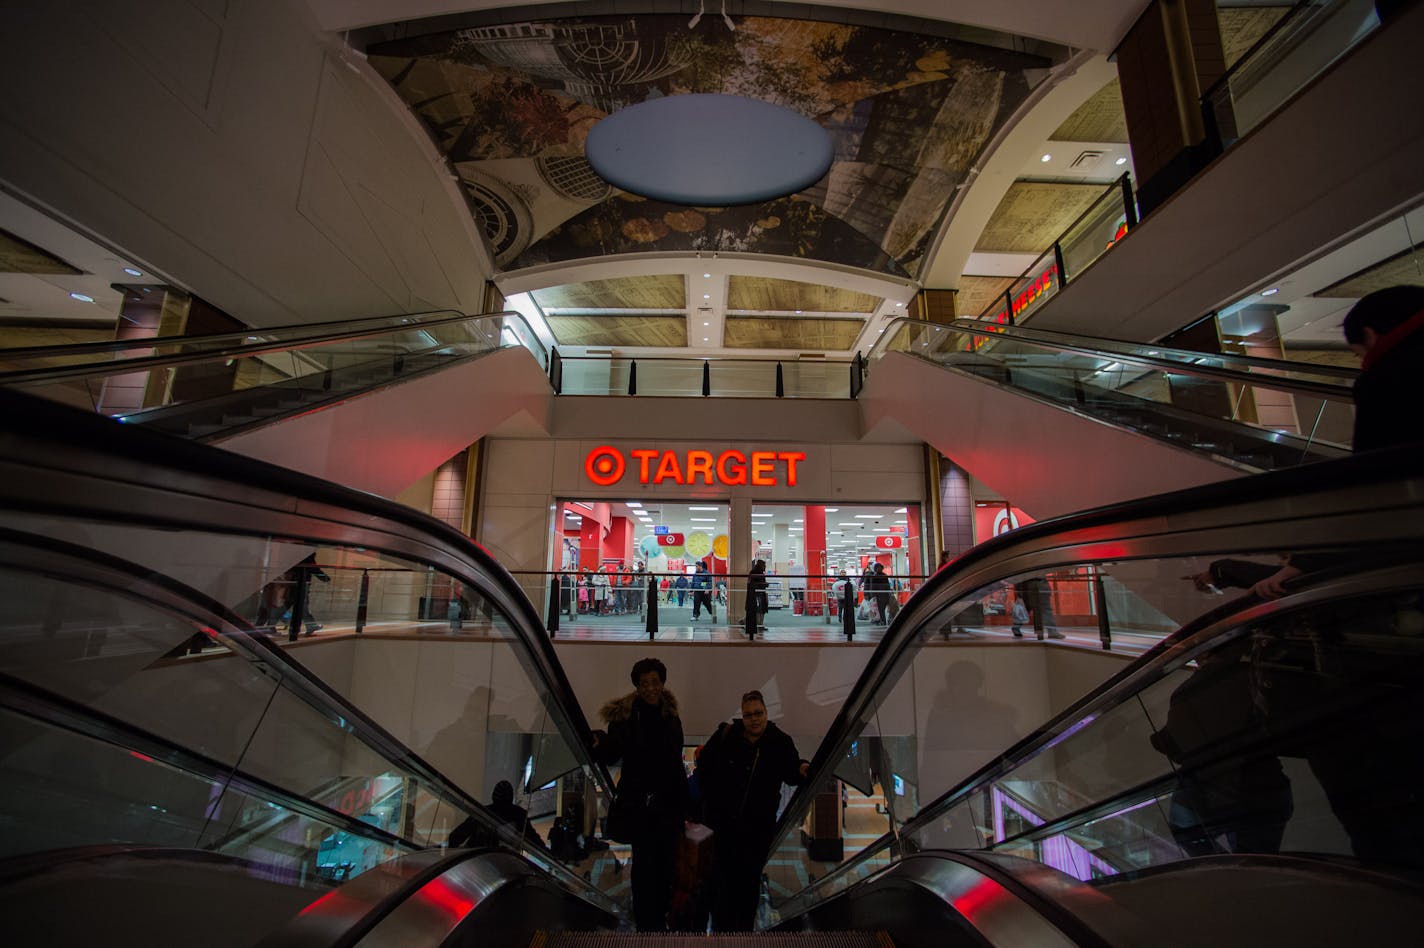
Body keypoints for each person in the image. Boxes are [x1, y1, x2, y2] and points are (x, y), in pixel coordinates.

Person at [697, 690, 810, 931]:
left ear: (766, 713)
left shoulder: (779, 741)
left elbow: (791, 771)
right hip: (723, 828)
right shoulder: (727, 735)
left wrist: (801, 768)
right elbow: (705, 766)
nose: (754, 719)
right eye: (748, 715)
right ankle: (722, 934)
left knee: (748, 885)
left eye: (758, 713)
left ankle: (743, 934)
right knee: (722, 885)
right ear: (742, 716)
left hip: (756, 831)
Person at [591, 657, 688, 931]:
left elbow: (674, 761)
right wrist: (599, 742)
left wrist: (685, 804)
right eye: (644, 684)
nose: (650, 689)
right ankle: (648, 925)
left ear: (662, 683)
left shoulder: (671, 715)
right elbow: (614, 750)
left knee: (667, 865)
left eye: (654, 682)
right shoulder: (625, 718)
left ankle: (664, 918)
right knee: (645, 866)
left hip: (668, 805)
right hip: (642, 809)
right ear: (636, 686)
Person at [450, 779, 544, 849]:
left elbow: (457, 835)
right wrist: (551, 855)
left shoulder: (483, 813)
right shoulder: (519, 815)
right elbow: (534, 840)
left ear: (493, 796)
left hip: (478, 859)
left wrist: (448, 849)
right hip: (504, 861)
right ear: (511, 797)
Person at [746, 559, 768, 637]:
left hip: (755, 593)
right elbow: (758, 583)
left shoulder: (754, 572)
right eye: (764, 565)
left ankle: (759, 625)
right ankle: (759, 625)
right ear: (761, 565)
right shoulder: (758, 573)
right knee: (759, 609)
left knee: (758, 610)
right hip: (758, 594)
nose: (765, 567)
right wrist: (765, 584)